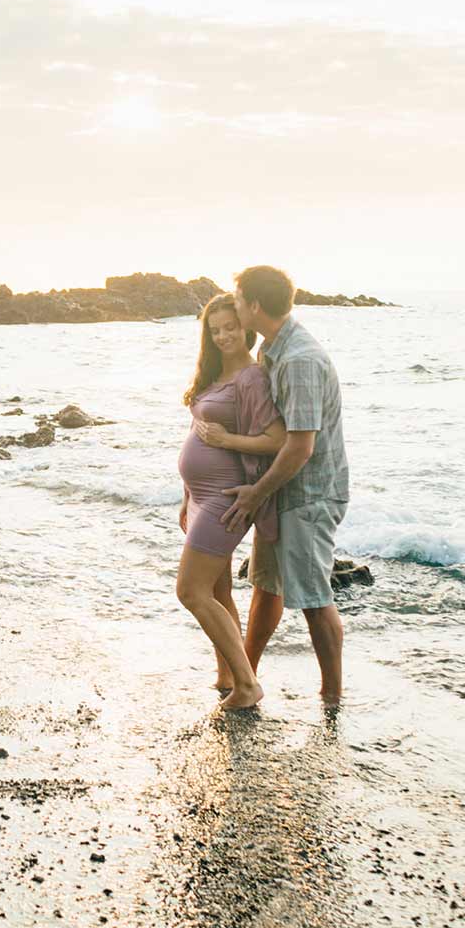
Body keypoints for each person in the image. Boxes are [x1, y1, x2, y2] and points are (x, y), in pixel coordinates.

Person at [221, 265, 351, 703]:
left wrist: (256, 493)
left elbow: (300, 447)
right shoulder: (273, 349)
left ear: (255, 305)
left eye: (237, 298)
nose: (234, 305)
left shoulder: (299, 361)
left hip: (309, 493)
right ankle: (246, 677)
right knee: (266, 584)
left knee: (313, 597)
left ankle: (332, 698)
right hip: (282, 490)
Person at [174, 294, 287, 710]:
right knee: (218, 592)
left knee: (190, 591)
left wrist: (226, 440)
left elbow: (276, 439)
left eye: (230, 327)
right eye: (215, 329)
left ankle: (247, 684)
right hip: (201, 498)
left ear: (246, 328)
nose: (223, 335)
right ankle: (227, 675)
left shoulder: (252, 378)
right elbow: (197, 433)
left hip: (227, 499)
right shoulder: (213, 373)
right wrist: (186, 497)